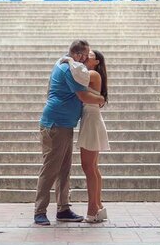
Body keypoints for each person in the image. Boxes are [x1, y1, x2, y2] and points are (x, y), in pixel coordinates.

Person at [33, 39, 106, 226]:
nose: (86, 59)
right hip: (56, 123)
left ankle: (63, 208)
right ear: (78, 55)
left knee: (64, 169)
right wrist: (102, 98)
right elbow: (83, 95)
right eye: (85, 55)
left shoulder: (68, 65)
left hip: (64, 124)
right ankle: (40, 211)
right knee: (50, 168)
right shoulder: (68, 69)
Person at [77, 49, 109, 223]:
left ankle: (92, 209)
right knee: (93, 167)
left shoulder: (92, 73)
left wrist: (68, 61)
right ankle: (98, 206)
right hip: (91, 118)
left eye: (88, 56)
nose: (84, 57)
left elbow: (76, 77)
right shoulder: (92, 73)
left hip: (91, 119)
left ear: (96, 62)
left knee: (88, 167)